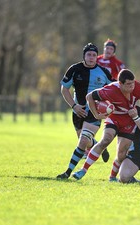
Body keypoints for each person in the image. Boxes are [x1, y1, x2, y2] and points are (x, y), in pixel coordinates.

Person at [72, 69, 140, 181]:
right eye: (128, 84)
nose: (132, 86)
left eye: (133, 83)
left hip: (129, 121)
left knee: (122, 153)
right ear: (120, 84)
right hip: (114, 118)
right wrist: (96, 115)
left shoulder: (138, 87)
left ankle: (112, 177)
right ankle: (83, 170)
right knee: (105, 140)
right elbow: (89, 97)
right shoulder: (110, 90)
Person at [56, 43, 115, 180]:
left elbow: (114, 90)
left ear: (97, 57)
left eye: (94, 55)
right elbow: (64, 89)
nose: (91, 57)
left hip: (94, 112)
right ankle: (99, 146)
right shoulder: (74, 69)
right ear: (84, 56)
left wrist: (107, 107)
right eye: (89, 54)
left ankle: (67, 173)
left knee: (82, 141)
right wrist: (74, 106)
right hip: (78, 111)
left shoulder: (104, 72)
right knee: (85, 141)